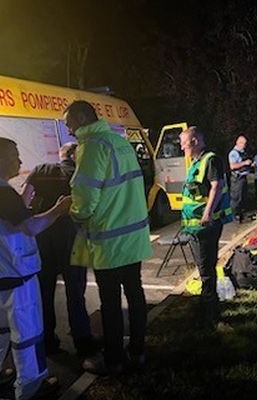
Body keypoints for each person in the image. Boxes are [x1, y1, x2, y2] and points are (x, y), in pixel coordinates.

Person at [0, 137, 69, 400]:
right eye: (15, 156)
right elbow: (30, 227)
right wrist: (58, 210)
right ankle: (31, 386)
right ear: (0, 160)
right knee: (27, 331)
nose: (20, 162)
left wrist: (21, 202)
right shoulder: (2, 192)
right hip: (15, 275)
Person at [63, 101, 152, 376]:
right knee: (136, 296)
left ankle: (113, 360)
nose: (68, 130)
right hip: (133, 237)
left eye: (69, 123)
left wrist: (74, 214)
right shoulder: (119, 142)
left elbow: (85, 200)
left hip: (110, 243)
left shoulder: (91, 146)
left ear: (81, 118)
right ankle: (137, 352)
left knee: (111, 304)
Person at [22, 143, 97, 356]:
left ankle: (47, 341)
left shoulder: (39, 170)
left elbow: (24, 199)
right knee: (75, 291)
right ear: (73, 155)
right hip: (72, 238)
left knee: (44, 291)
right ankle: (82, 340)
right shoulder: (79, 174)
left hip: (43, 237)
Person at [180, 126, 232, 327]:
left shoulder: (210, 160)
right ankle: (209, 308)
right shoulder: (196, 162)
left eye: (184, 143)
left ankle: (208, 315)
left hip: (206, 226)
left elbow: (216, 186)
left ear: (194, 141)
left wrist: (207, 213)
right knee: (205, 269)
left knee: (206, 270)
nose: (182, 147)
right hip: (196, 227)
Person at [228, 135, 251, 223]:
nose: (244, 145)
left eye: (245, 144)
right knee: (236, 198)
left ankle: (242, 215)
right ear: (238, 143)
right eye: (243, 143)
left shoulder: (243, 152)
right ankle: (235, 216)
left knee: (243, 197)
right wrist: (245, 163)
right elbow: (233, 166)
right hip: (237, 178)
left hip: (243, 177)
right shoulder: (233, 153)